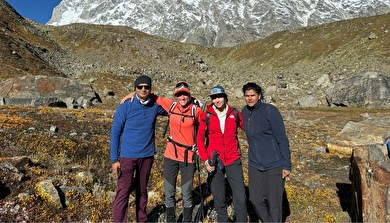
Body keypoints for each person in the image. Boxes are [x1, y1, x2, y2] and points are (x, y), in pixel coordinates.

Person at [121, 81, 204, 222]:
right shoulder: (170, 105)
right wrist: (133, 94)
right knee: (169, 192)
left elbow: (206, 127)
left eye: (185, 94)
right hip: (171, 156)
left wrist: (202, 149)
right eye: (179, 94)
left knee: (186, 193)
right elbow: (151, 95)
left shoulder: (197, 111)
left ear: (189, 94)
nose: (182, 97)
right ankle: (170, 220)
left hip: (189, 157)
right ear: (175, 96)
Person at [110, 75, 167, 223]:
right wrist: (114, 159)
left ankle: (141, 220)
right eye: (139, 87)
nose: (143, 89)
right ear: (135, 88)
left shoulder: (155, 106)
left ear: (150, 89)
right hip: (127, 157)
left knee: (142, 190)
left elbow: (174, 108)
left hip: (147, 156)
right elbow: (116, 132)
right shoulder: (125, 105)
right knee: (123, 192)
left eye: (146, 87)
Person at [196, 85, 248, 222]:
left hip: (233, 159)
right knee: (219, 199)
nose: (217, 100)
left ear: (225, 97)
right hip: (214, 162)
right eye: (214, 98)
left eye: (219, 97)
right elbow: (199, 139)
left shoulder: (234, 113)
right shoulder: (206, 115)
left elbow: (249, 129)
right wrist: (206, 160)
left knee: (241, 199)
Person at [241, 82, 291, 223]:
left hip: (274, 164)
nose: (250, 98)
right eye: (247, 96)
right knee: (255, 199)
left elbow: (282, 138)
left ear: (259, 96)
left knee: (274, 203)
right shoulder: (244, 112)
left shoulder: (270, 111)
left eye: (253, 95)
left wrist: (286, 164)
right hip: (255, 164)